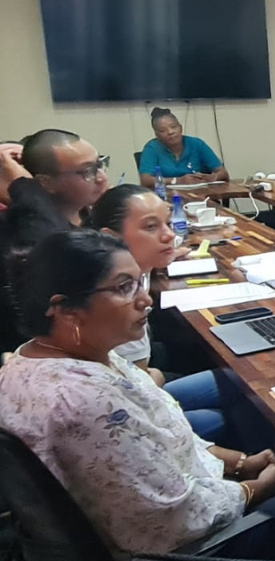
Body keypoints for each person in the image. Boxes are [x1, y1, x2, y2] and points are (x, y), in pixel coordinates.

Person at [0, 230, 275, 559]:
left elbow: (163, 435)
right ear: (65, 309)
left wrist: (243, 463)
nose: (146, 299)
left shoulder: (43, 355)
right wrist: (260, 487)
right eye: (123, 287)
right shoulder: (85, 401)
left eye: (138, 282)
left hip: (119, 523)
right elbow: (177, 520)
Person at [90, 184, 228, 444]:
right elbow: (142, 384)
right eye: (151, 227)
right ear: (111, 237)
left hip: (135, 391)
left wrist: (161, 259)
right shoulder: (117, 300)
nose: (169, 235)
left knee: (238, 385)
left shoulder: (130, 271)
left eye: (168, 223)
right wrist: (157, 375)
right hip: (130, 414)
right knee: (240, 396)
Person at [0, 130, 110, 351]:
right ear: (44, 183)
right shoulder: (23, 231)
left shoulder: (91, 216)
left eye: (100, 165)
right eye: (87, 171)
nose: (101, 177)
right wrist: (23, 186)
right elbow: (62, 260)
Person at [138, 107, 230, 189]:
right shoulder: (152, 148)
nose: (170, 132)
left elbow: (223, 173)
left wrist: (212, 178)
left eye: (173, 127)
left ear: (180, 128)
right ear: (157, 135)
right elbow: (145, 180)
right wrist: (176, 180)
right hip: (166, 197)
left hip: (200, 194)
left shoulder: (196, 144)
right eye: (163, 130)